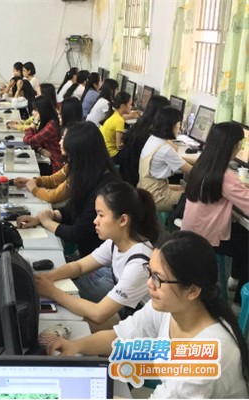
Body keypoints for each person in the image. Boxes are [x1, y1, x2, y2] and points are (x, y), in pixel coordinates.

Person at [48, 231, 249, 399]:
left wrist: (86, 394)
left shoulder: (208, 353)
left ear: (192, 290)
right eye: (149, 272)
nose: (149, 284)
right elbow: (120, 337)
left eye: (158, 278)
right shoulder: (169, 308)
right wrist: (76, 346)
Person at [35, 181, 158, 329]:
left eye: (101, 215)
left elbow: (98, 313)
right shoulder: (115, 242)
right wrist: (47, 278)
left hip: (145, 328)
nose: (95, 221)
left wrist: (52, 292)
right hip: (128, 314)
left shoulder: (139, 264)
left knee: (65, 325)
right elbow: (79, 266)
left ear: (123, 220)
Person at [17, 122, 120, 257]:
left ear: (81, 156)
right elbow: (75, 208)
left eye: (71, 157)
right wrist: (45, 217)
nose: (69, 162)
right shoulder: (90, 175)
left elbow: (78, 233)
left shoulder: (105, 189)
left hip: (96, 260)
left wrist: (46, 222)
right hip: (87, 253)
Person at [182, 122, 249, 306]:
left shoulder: (204, 164)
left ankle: (235, 279)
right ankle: (240, 302)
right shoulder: (225, 176)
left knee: (243, 236)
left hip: (192, 230)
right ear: (233, 146)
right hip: (207, 237)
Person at [138, 106, 192, 211]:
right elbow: (192, 172)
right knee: (193, 197)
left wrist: (200, 160)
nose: (180, 128)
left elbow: (176, 158)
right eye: (179, 124)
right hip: (157, 196)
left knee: (183, 188)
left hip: (146, 189)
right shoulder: (165, 149)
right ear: (172, 126)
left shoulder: (153, 139)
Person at [118, 96, 171, 186]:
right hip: (138, 180)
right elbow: (172, 151)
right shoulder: (151, 135)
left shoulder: (140, 125)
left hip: (127, 175)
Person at [13, 126, 71, 204]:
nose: (59, 142)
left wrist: (33, 188)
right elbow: (53, 180)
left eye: (63, 139)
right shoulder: (72, 164)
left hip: (54, 164)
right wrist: (34, 181)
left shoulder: (80, 171)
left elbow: (53, 196)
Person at [23, 95, 63, 172]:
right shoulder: (47, 122)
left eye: (35, 110)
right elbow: (34, 141)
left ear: (43, 111)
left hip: (54, 164)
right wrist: (40, 149)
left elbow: (30, 141)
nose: (33, 113)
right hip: (47, 159)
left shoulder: (51, 126)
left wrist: (34, 123)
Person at [100, 91, 132, 163]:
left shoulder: (113, 114)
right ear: (122, 106)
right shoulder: (119, 120)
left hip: (105, 151)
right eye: (130, 104)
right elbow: (119, 146)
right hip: (112, 155)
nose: (131, 107)